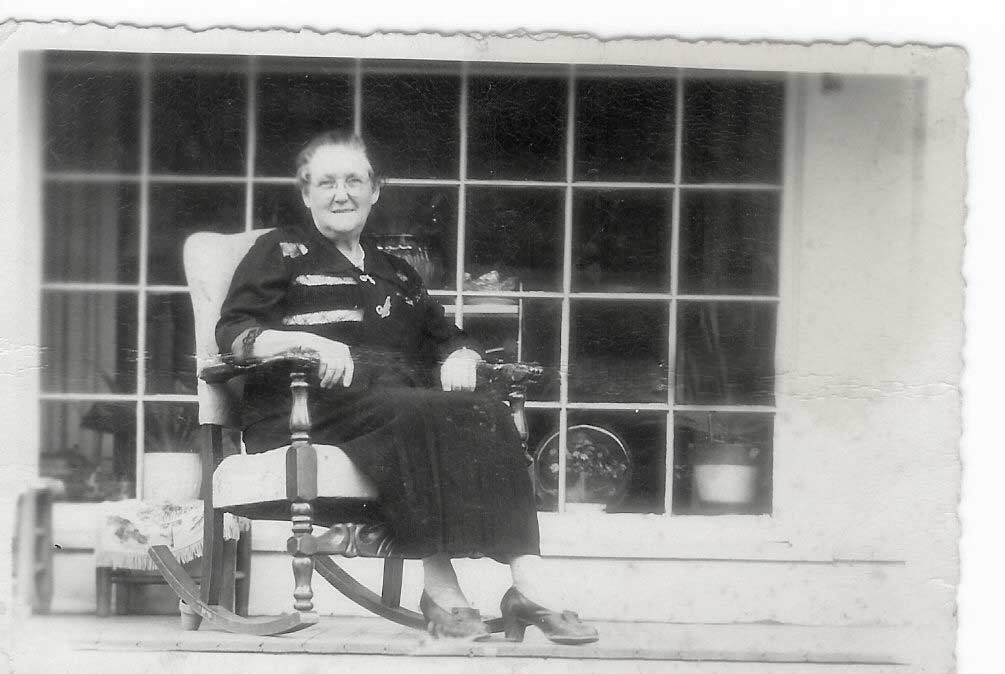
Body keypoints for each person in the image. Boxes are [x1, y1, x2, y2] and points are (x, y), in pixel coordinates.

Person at [216, 130, 598, 644]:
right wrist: (306, 341)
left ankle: (529, 583)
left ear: (375, 190)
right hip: (302, 409)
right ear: (306, 194)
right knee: (415, 409)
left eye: (354, 181)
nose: (341, 194)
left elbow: (447, 336)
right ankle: (442, 590)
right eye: (326, 183)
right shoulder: (279, 251)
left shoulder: (393, 269)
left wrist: (461, 356)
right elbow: (234, 331)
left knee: (485, 409)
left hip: (388, 407)